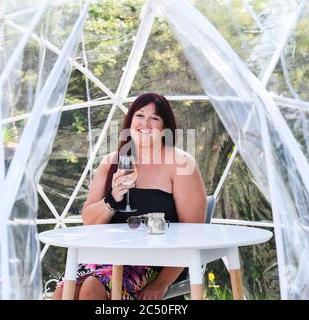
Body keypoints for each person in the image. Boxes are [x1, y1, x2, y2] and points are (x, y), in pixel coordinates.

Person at [52, 92, 206, 300]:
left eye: (155, 118)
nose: (145, 123)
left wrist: (163, 282)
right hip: (105, 256)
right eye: (140, 116)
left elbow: (193, 233)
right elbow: (89, 221)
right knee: (64, 292)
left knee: (92, 288)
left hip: (152, 261)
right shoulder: (111, 162)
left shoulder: (180, 163)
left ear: (164, 128)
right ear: (130, 121)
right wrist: (112, 198)